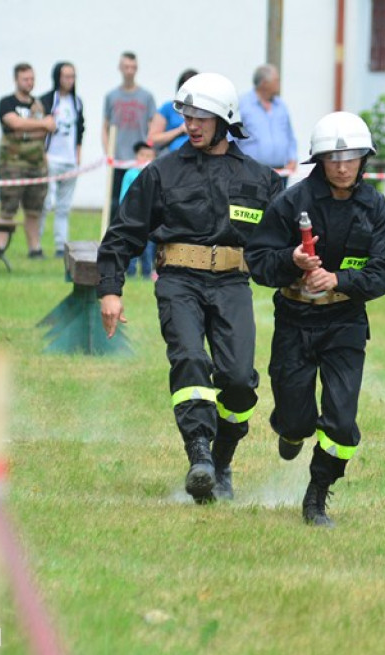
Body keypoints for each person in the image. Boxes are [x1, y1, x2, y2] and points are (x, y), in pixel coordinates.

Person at [97, 73, 282, 504]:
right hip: (178, 281)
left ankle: (221, 459)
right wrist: (111, 289)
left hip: (233, 284)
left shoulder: (261, 180)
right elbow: (122, 235)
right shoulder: (161, 173)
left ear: (226, 120)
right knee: (191, 360)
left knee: (239, 381)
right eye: (188, 115)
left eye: (203, 116)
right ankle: (198, 454)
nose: (192, 124)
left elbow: (283, 241)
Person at [245, 112, 385, 527]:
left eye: (350, 156)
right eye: (333, 156)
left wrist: (340, 279)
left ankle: (317, 496)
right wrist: (291, 260)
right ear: (318, 159)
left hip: (346, 323)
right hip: (295, 321)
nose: (342, 165)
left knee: (341, 419)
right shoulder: (291, 202)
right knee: (296, 418)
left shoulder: (374, 207)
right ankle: (290, 428)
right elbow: (257, 260)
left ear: (363, 160)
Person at [0, 63, 55, 258]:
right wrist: (38, 125)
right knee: (8, 208)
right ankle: (0, 248)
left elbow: (49, 127)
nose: (29, 82)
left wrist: (28, 128)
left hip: (37, 164)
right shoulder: (6, 102)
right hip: (11, 163)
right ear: (16, 79)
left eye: (32, 79)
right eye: (25, 79)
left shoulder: (40, 104)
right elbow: (14, 123)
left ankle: (35, 248)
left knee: (34, 209)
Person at [102, 52, 159, 220]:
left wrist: (149, 153)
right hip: (118, 158)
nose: (129, 71)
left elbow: (153, 126)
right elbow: (104, 127)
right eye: (126, 67)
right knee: (115, 202)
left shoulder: (146, 97)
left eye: (133, 67)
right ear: (120, 68)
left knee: (139, 201)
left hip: (139, 161)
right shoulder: (111, 96)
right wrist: (108, 153)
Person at [41, 61, 85, 257]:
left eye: (72, 76)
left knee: (63, 207)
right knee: (45, 203)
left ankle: (61, 246)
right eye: (66, 76)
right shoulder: (47, 100)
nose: (70, 80)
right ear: (57, 78)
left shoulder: (77, 102)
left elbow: (80, 130)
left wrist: (78, 156)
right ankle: (37, 244)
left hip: (70, 160)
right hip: (51, 158)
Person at [237, 64, 298, 178]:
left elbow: (290, 136)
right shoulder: (243, 105)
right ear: (264, 83)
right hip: (251, 173)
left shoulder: (281, 106)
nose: (279, 83)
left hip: (281, 173)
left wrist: (293, 158)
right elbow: (232, 138)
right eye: (276, 80)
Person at [120, 141, 157, 278]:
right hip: (132, 219)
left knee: (148, 248)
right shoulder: (130, 174)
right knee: (131, 246)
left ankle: (147, 272)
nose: (146, 159)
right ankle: (130, 272)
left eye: (149, 156)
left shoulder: (155, 175)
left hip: (150, 221)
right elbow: (124, 195)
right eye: (142, 155)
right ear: (136, 156)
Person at [151, 69, 197, 153]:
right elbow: (153, 139)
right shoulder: (168, 108)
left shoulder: (204, 111)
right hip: (173, 155)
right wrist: (180, 130)